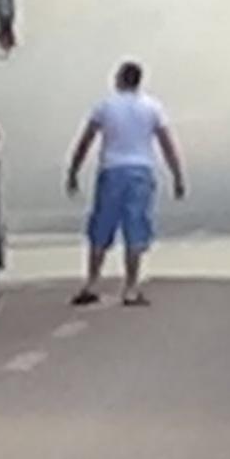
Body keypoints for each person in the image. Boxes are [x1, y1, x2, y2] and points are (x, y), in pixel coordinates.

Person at [64, 60, 187, 307]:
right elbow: (166, 143)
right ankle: (131, 288)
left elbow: (86, 140)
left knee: (101, 226)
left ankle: (91, 283)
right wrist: (177, 175)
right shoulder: (152, 108)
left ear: (119, 79)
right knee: (136, 228)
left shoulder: (105, 106)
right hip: (141, 172)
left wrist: (73, 170)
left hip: (112, 170)